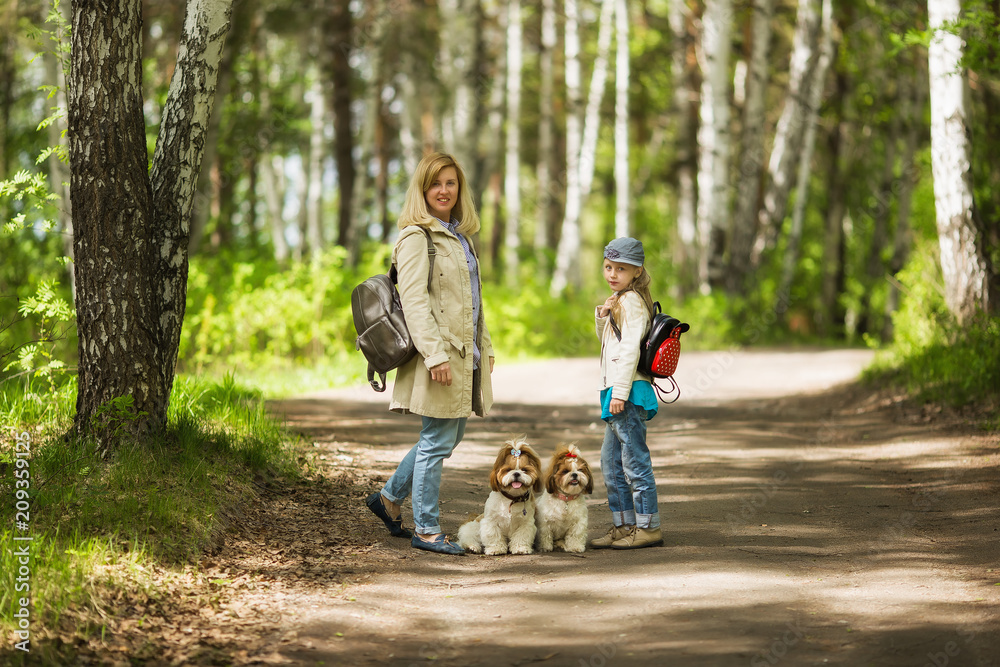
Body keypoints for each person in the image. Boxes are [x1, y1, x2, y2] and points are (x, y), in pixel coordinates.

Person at [365, 151, 495, 555]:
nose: (444, 190)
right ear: (423, 189)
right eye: (435, 183)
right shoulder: (415, 237)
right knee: (437, 439)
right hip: (437, 354)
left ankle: (388, 499)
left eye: (451, 183)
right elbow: (416, 302)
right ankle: (426, 529)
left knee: (445, 437)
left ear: (460, 189)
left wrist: (485, 347)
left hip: (464, 353)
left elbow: (474, 301)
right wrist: (435, 355)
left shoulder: (460, 237)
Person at [589, 237, 664, 550]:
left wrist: (619, 393)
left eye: (621, 268)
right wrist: (602, 317)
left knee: (633, 461)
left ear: (636, 271)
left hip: (629, 392)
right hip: (618, 390)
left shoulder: (632, 301)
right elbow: (608, 345)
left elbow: (631, 349)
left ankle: (648, 527)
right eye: (608, 267)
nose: (612, 273)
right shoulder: (619, 299)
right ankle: (623, 525)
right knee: (611, 463)